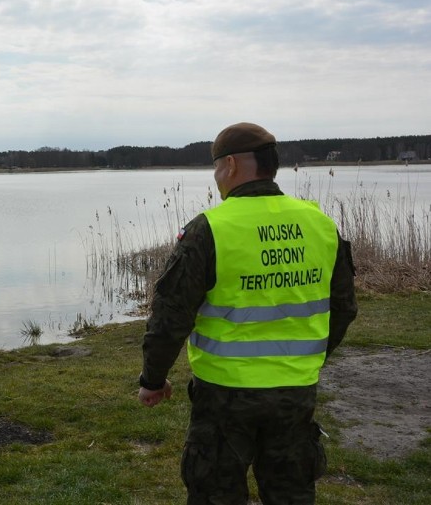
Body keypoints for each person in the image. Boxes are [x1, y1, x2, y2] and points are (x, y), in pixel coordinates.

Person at [137, 122, 357, 505]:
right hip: (294, 390)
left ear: (233, 166)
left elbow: (170, 316)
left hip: (225, 394)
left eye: (217, 167)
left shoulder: (211, 229)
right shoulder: (319, 224)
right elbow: (343, 308)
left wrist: (153, 379)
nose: (217, 176)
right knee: (291, 492)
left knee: (216, 491)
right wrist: (309, 357)